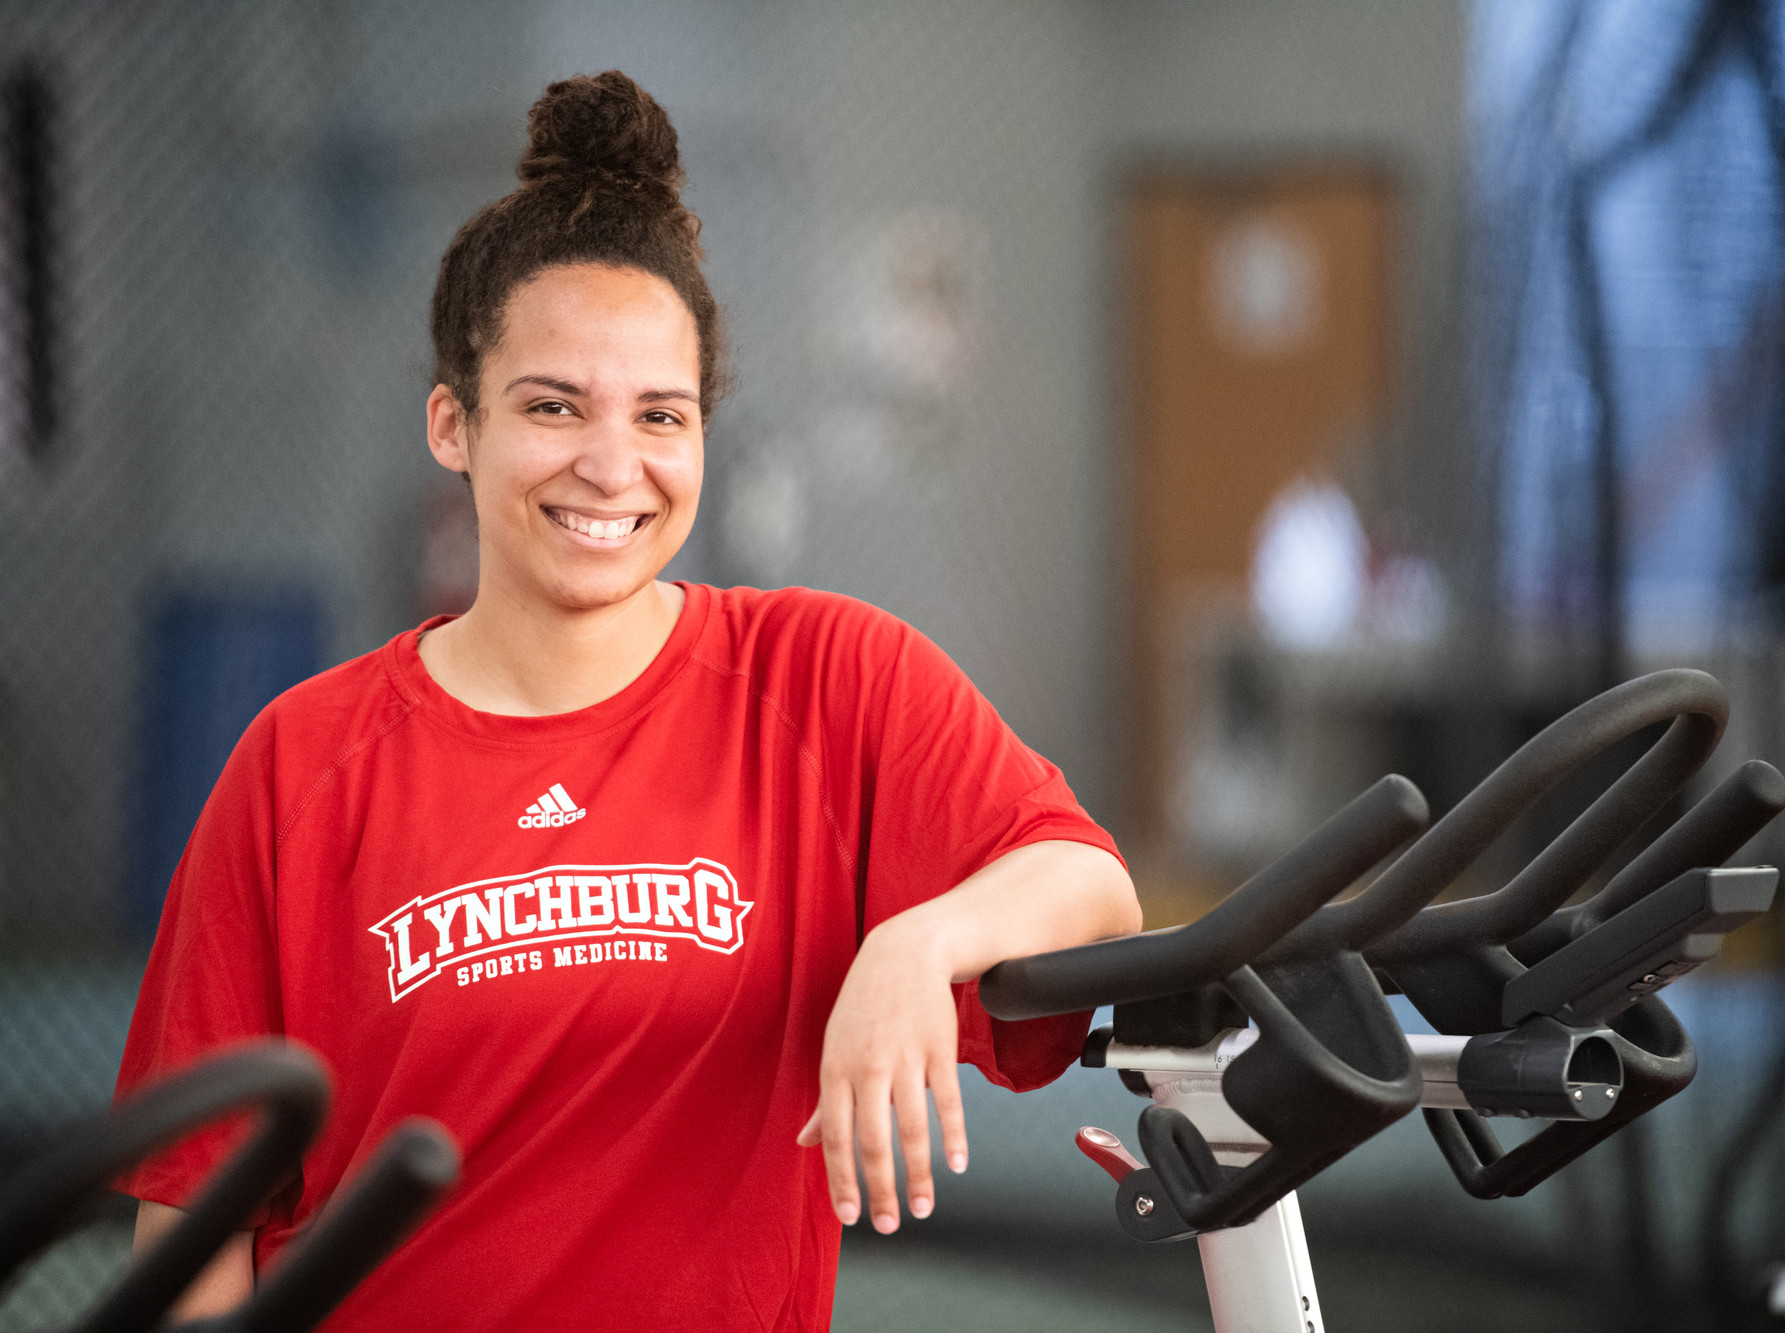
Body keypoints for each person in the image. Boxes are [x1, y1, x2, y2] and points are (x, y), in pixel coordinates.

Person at [114, 70, 1140, 1332]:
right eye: (552, 407)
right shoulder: (303, 762)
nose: (611, 466)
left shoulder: (824, 681)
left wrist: (913, 943)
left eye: (661, 414)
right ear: (453, 423)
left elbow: (1085, 883)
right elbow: (192, 1233)